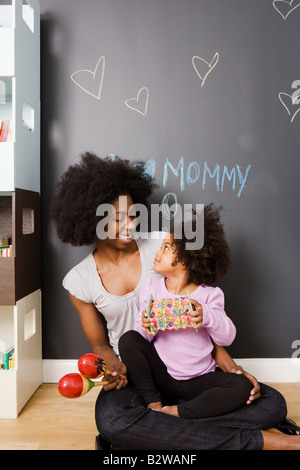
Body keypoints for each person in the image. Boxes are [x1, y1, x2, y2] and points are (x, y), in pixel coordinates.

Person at [52, 152, 299, 450]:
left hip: (194, 369)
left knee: (271, 404)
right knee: (111, 421)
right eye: (118, 219)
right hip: (139, 372)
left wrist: (231, 366)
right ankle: (261, 440)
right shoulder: (80, 280)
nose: (130, 225)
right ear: (90, 218)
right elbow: (102, 347)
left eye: (133, 215)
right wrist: (114, 369)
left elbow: (201, 308)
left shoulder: (163, 244)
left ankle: (151, 429)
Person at [119, 206, 253, 419]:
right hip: (162, 374)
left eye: (165, 248)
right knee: (128, 339)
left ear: (186, 259)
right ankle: (154, 403)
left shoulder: (210, 295)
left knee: (241, 386)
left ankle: (178, 412)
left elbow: (227, 337)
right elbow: (140, 337)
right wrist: (146, 326)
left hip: (199, 379)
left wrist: (207, 316)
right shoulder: (151, 288)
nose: (158, 252)